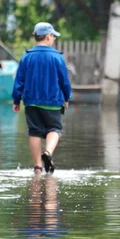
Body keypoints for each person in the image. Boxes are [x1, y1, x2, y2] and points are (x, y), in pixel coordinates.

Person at [12, 22, 71, 174]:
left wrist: (16, 100)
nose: (54, 39)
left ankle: (38, 166)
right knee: (54, 128)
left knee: (35, 132)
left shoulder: (27, 57)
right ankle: (48, 153)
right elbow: (64, 81)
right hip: (52, 101)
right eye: (53, 36)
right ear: (48, 36)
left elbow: (19, 80)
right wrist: (66, 97)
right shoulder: (57, 58)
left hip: (31, 102)